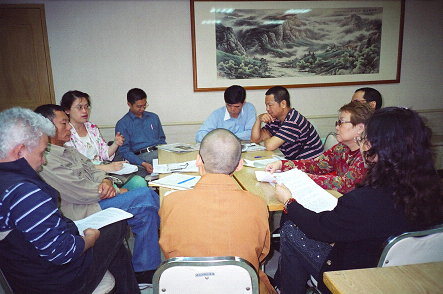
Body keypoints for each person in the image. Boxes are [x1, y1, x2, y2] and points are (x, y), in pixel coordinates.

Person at [273, 107, 443, 294]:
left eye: (364, 140)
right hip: (413, 276)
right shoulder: (435, 189)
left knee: (291, 230)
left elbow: (320, 229)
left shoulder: (363, 201)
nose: (362, 146)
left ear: (376, 148)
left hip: (356, 277)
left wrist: (289, 202)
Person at [0, 107, 139, 294]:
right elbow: (61, 252)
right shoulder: (25, 192)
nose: (43, 161)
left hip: (27, 270)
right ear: (19, 151)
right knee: (116, 227)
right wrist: (89, 239)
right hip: (55, 280)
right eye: (41, 153)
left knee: (112, 244)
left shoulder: (8, 181)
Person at [34, 104, 161, 287]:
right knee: (146, 195)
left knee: (147, 213)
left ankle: (144, 272)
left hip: (97, 200)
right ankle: (175, 231)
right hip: (84, 212)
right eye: (64, 123)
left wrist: (108, 182)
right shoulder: (46, 160)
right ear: (46, 127)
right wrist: (115, 190)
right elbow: (81, 192)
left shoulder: (68, 150)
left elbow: (96, 171)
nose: (69, 127)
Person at [159, 129, 276, 294]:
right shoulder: (257, 204)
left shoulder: (171, 202)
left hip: (185, 287)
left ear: (198, 160)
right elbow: (262, 253)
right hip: (241, 286)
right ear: (240, 164)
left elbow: (169, 252)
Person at [266, 101, 373, 194]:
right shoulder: (341, 148)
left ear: (360, 128)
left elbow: (344, 184)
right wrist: (281, 165)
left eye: (341, 122)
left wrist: (299, 178)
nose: (336, 127)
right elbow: (315, 165)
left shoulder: (367, 156)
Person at [60, 90, 126, 173]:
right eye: (79, 107)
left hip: (102, 171)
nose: (85, 111)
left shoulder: (92, 128)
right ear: (67, 110)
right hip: (84, 175)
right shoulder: (65, 133)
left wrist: (116, 143)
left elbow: (104, 154)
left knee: (137, 180)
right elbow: (74, 165)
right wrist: (106, 167)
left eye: (86, 107)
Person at [251, 86, 323, 160]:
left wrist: (268, 138)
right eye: (266, 105)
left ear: (283, 104)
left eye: (270, 105)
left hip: (312, 164)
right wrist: (258, 119)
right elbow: (255, 139)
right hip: (297, 162)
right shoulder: (276, 119)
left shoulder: (293, 120)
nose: (267, 109)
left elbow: (270, 146)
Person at [115, 88, 166, 177]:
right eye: (138, 106)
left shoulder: (153, 117)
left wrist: (165, 154)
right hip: (140, 159)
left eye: (144, 105)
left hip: (159, 153)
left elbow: (162, 139)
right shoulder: (122, 124)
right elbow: (125, 151)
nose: (142, 109)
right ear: (129, 104)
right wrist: (143, 163)